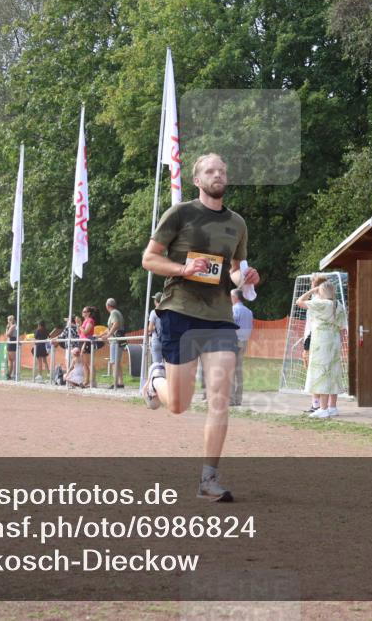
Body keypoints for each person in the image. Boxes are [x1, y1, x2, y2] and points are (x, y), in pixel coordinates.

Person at [140, 153, 259, 502]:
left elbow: (235, 272)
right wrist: (183, 270)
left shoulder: (237, 223)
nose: (218, 174)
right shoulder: (180, 213)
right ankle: (154, 381)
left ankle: (209, 479)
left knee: (219, 398)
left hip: (220, 316)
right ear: (197, 179)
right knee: (178, 404)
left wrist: (247, 277)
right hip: (179, 310)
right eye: (210, 170)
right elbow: (149, 258)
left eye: (222, 169)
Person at [296, 281, 347, 418]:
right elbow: (342, 328)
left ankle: (323, 408)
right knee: (333, 373)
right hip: (334, 342)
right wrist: (339, 343)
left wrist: (312, 291)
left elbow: (299, 302)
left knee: (322, 373)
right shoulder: (339, 305)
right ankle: (332, 407)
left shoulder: (322, 303)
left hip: (321, 343)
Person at [302, 274, 327, 412]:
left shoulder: (318, 300)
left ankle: (317, 404)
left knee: (314, 370)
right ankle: (316, 403)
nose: (311, 284)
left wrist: (314, 290)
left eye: (313, 282)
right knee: (311, 368)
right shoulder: (317, 298)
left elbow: (300, 301)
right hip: (310, 335)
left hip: (314, 336)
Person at [230, 289, 254, 406]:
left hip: (234, 342)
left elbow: (231, 326)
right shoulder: (249, 311)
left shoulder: (234, 310)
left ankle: (231, 399)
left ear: (235, 297)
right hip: (244, 342)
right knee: (238, 371)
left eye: (230, 296)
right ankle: (238, 399)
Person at [102, 298, 126, 389]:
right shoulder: (116, 312)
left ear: (107, 306)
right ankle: (120, 382)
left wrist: (108, 335)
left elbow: (116, 324)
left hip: (115, 340)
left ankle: (115, 382)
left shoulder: (113, 313)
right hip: (117, 339)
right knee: (117, 362)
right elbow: (111, 327)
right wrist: (101, 334)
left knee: (113, 362)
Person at [79, 306, 97, 387]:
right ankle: (86, 381)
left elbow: (86, 332)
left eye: (85, 311)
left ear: (89, 313)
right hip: (82, 342)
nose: (83, 313)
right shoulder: (84, 321)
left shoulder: (90, 320)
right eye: (83, 311)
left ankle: (92, 381)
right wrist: (78, 325)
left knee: (88, 363)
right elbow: (80, 333)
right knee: (84, 364)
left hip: (87, 342)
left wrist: (80, 325)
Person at [148, 293, 164, 365]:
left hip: (156, 340)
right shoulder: (167, 311)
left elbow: (150, 328)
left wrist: (155, 327)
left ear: (156, 301)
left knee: (157, 364)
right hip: (166, 340)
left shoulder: (153, 312)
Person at [4, 315, 18, 381]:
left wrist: (6, 329)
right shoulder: (12, 326)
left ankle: (14, 374)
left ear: (10, 320)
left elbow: (8, 334)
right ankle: (10, 374)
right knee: (11, 360)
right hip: (10, 342)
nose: (7, 321)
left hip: (12, 342)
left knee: (13, 359)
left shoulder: (13, 326)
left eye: (8, 320)